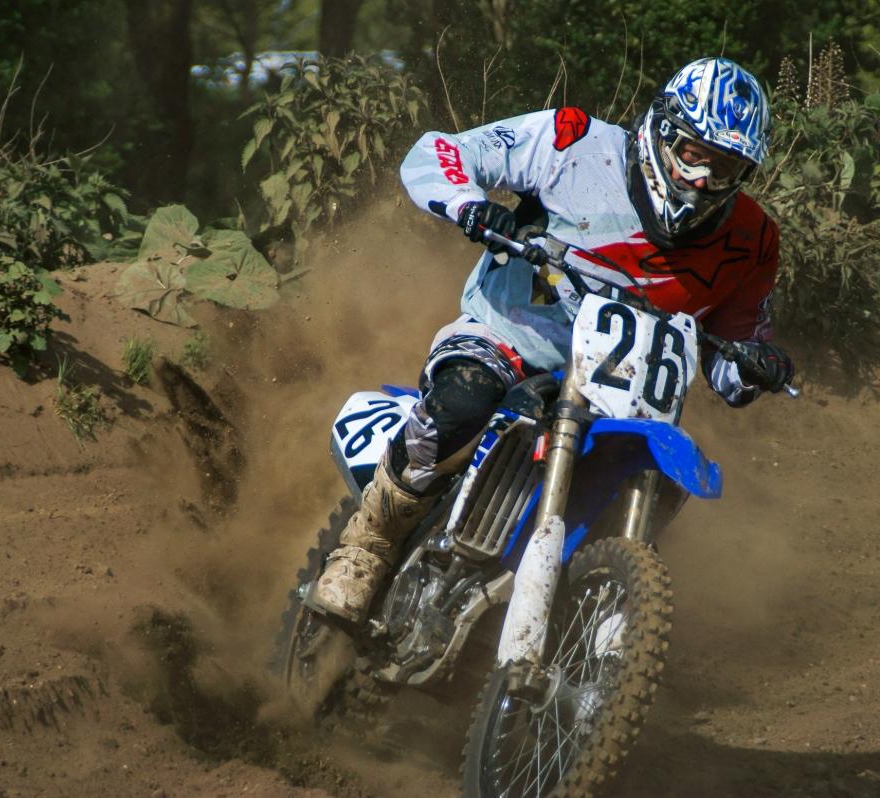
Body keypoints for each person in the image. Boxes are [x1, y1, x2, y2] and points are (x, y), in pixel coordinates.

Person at [306, 56, 796, 623]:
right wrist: (471, 206)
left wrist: (758, 363)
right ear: (662, 133)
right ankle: (368, 544)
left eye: (724, 166)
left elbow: (732, 351)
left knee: (649, 483)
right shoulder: (573, 141)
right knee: (462, 400)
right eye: (693, 154)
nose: (704, 179)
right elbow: (440, 151)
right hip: (508, 339)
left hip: (620, 394)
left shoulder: (753, 239)